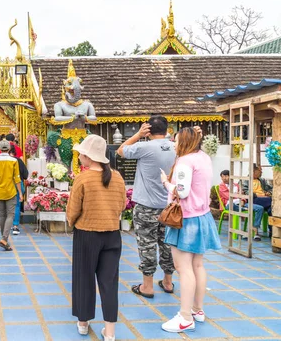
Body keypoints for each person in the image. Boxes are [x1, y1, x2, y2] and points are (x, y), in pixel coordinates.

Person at [160, 127, 221, 333]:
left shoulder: (185, 161)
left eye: (176, 141)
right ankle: (197, 309)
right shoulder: (203, 157)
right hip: (202, 216)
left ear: (184, 142)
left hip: (185, 219)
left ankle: (185, 317)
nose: (174, 144)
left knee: (183, 268)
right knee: (198, 265)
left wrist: (166, 184)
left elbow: (182, 192)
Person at [67, 135, 126, 341]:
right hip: (112, 234)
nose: (80, 156)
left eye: (81, 153)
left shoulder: (82, 178)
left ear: (87, 156)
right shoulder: (117, 177)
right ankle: (109, 332)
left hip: (87, 234)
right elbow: (122, 205)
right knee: (109, 282)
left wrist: (71, 222)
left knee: (84, 279)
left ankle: (83, 322)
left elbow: (73, 209)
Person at [117, 116, 176, 298]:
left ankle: (147, 286)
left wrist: (138, 134)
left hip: (146, 206)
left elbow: (120, 150)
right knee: (168, 243)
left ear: (148, 130)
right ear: (167, 130)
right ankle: (167, 281)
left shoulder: (144, 147)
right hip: (170, 205)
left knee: (147, 245)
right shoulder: (176, 148)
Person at [0, 139, 23, 251]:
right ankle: (4, 238)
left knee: (2, 215)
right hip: (10, 191)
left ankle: (4, 239)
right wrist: (20, 192)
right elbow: (17, 178)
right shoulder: (13, 160)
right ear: (9, 149)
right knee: (10, 215)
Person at [220, 170, 265, 241]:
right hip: (230, 204)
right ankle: (243, 209)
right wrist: (238, 194)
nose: (224, 178)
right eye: (222, 177)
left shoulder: (236, 185)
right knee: (232, 205)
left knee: (260, 208)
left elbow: (243, 195)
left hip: (241, 204)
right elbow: (228, 196)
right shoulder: (221, 186)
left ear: (230, 176)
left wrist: (243, 200)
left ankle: (255, 228)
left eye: (226, 176)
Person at [9, 145, 28, 236]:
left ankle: (7, 225)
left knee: (8, 205)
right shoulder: (19, 161)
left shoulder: (5, 162)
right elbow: (25, 175)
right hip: (18, 184)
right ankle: (15, 226)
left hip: (7, 185)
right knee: (17, 205)